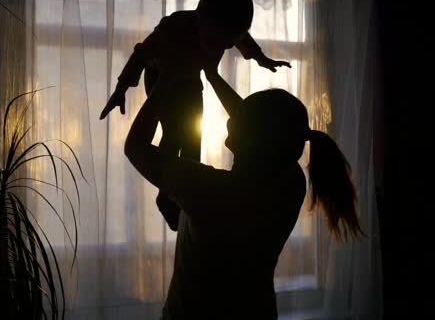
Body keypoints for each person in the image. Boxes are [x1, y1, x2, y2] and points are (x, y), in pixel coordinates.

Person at [123, 63, 364, 319]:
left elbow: (135, 147)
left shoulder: (210, 189)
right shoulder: (290, 181)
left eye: (239, 121)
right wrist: (214, 77)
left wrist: (168, 77)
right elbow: (267, 130)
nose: (231, 122)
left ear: (249, 137)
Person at [100, 0, 290, 231]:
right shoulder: (173, 29)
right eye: (212, 39)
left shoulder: (226, 29)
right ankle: (166, 191)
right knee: (174, 133)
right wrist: (121, 87)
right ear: (198, 18)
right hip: (162, 77)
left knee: (192, 134)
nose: (215, 48)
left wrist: (260, 58)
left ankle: (184, 190)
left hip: (190, 80)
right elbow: (142, 54)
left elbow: (245, 40)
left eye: (226, 45)